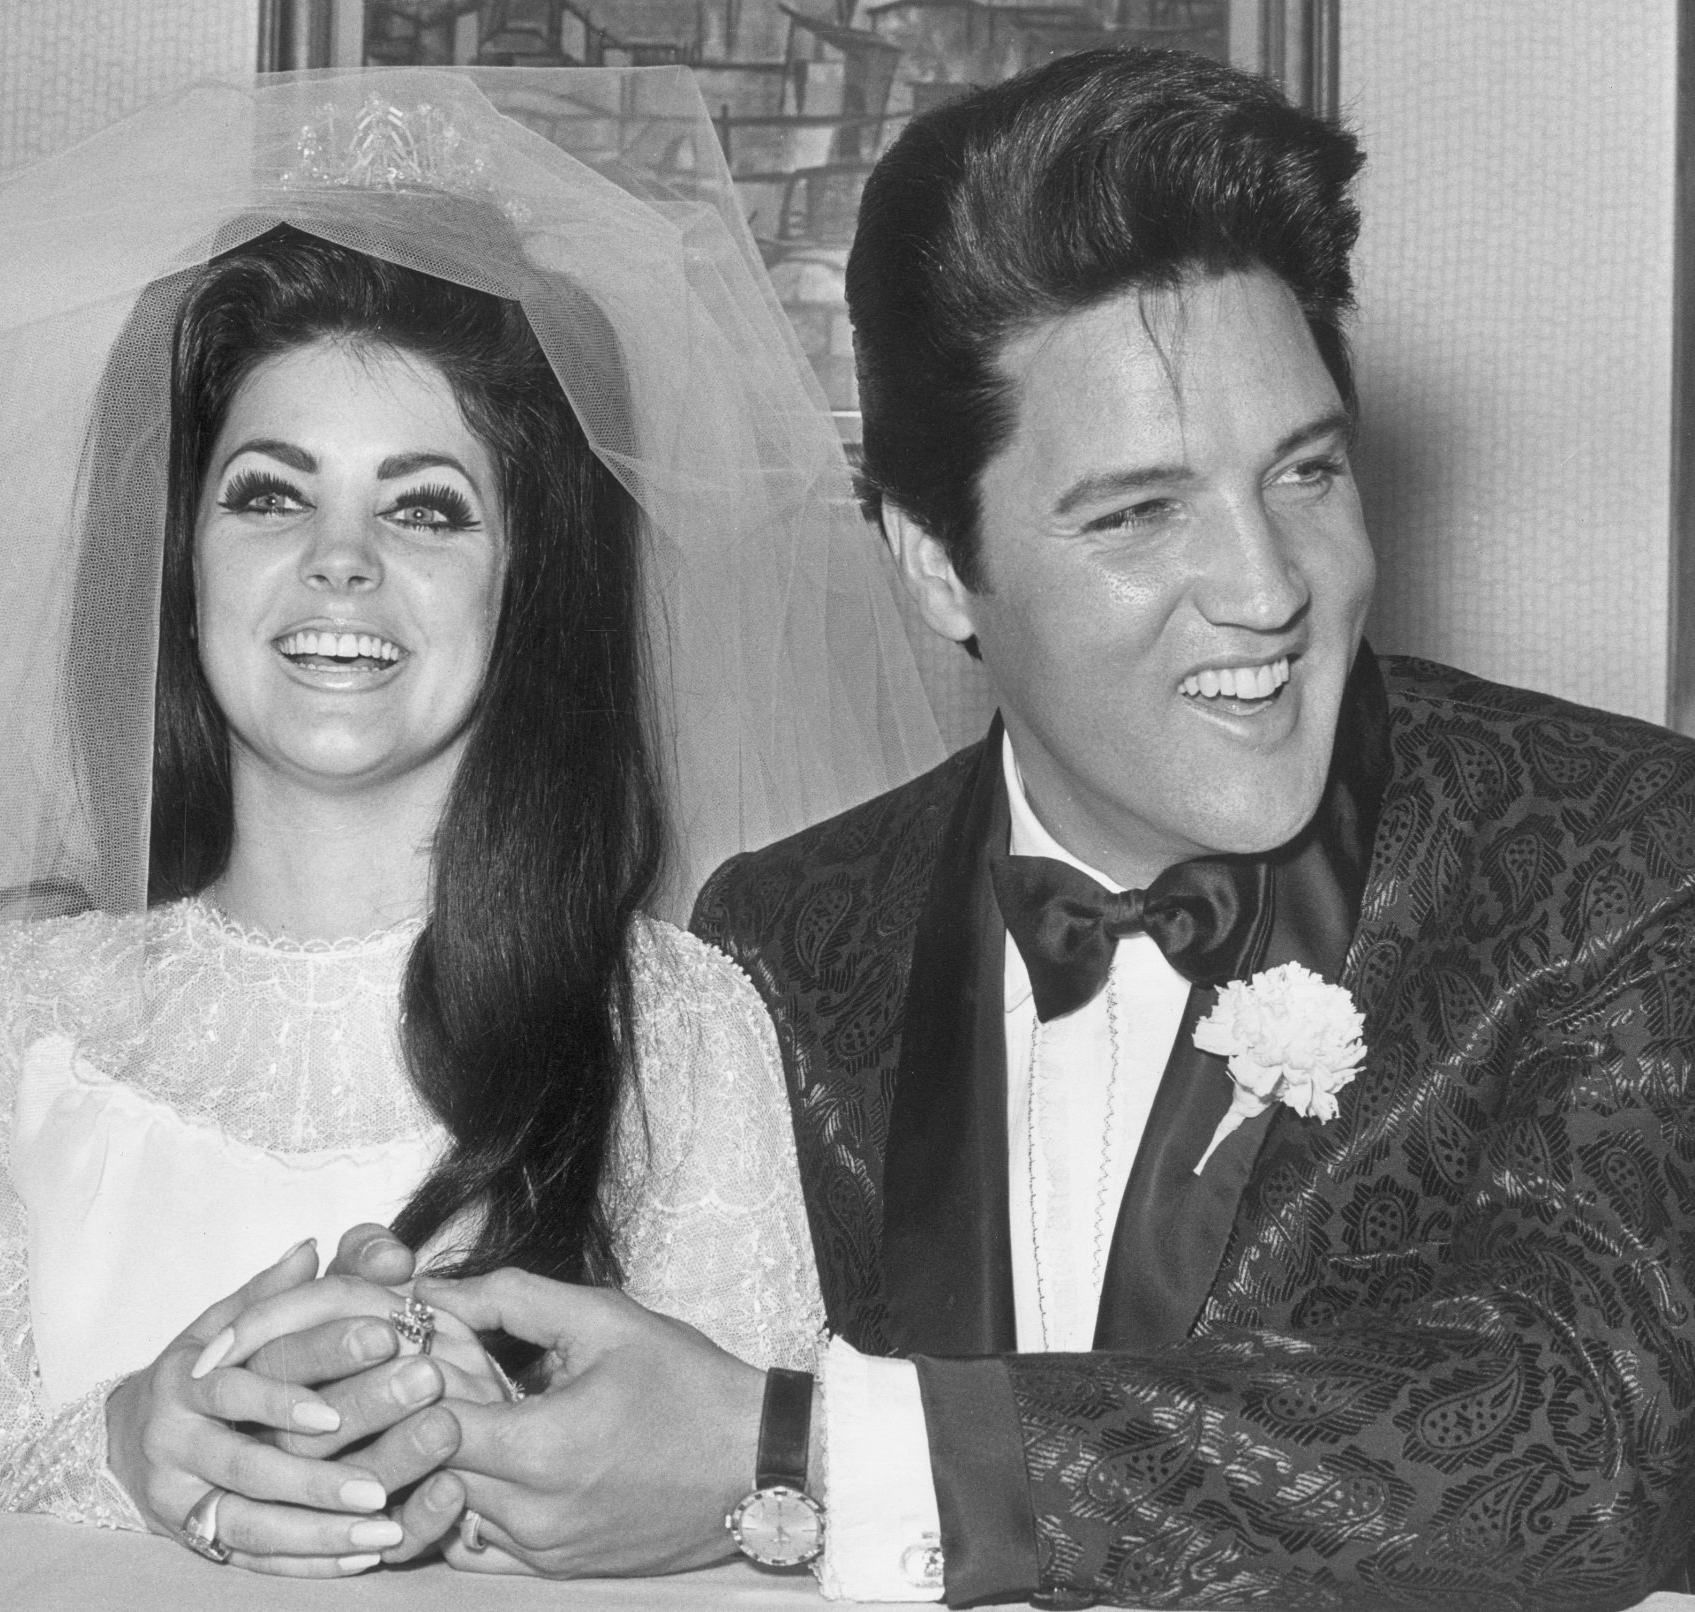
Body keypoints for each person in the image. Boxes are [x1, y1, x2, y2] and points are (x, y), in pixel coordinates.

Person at [311, 48, 1695, 1608]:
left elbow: (1586, 1443)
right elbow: (632, 1441)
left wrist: (807, 1450)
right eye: (1139, 511)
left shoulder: (1637, 856)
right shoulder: (777, 938)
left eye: (1304, 472)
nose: (1270, 587)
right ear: (933, 565)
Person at [0, 68, 942, 1534]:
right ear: (181, 560)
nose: (340, 562)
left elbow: (771, 1525)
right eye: (271, 494)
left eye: (425, 507)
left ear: (526, 586)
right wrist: (129, 1450)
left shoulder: (673, 1027)